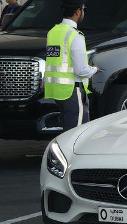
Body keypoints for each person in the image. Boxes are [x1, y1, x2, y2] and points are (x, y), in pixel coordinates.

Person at [44, 0, 98, 131]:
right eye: (83, 10)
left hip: (57, 91)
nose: (83, 13)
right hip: (72, 91)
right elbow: (81, 70)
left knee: (67, 131)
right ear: (78, 12)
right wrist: (95, 69)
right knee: (76, 134)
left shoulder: (53, 32)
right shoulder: (75, 35)